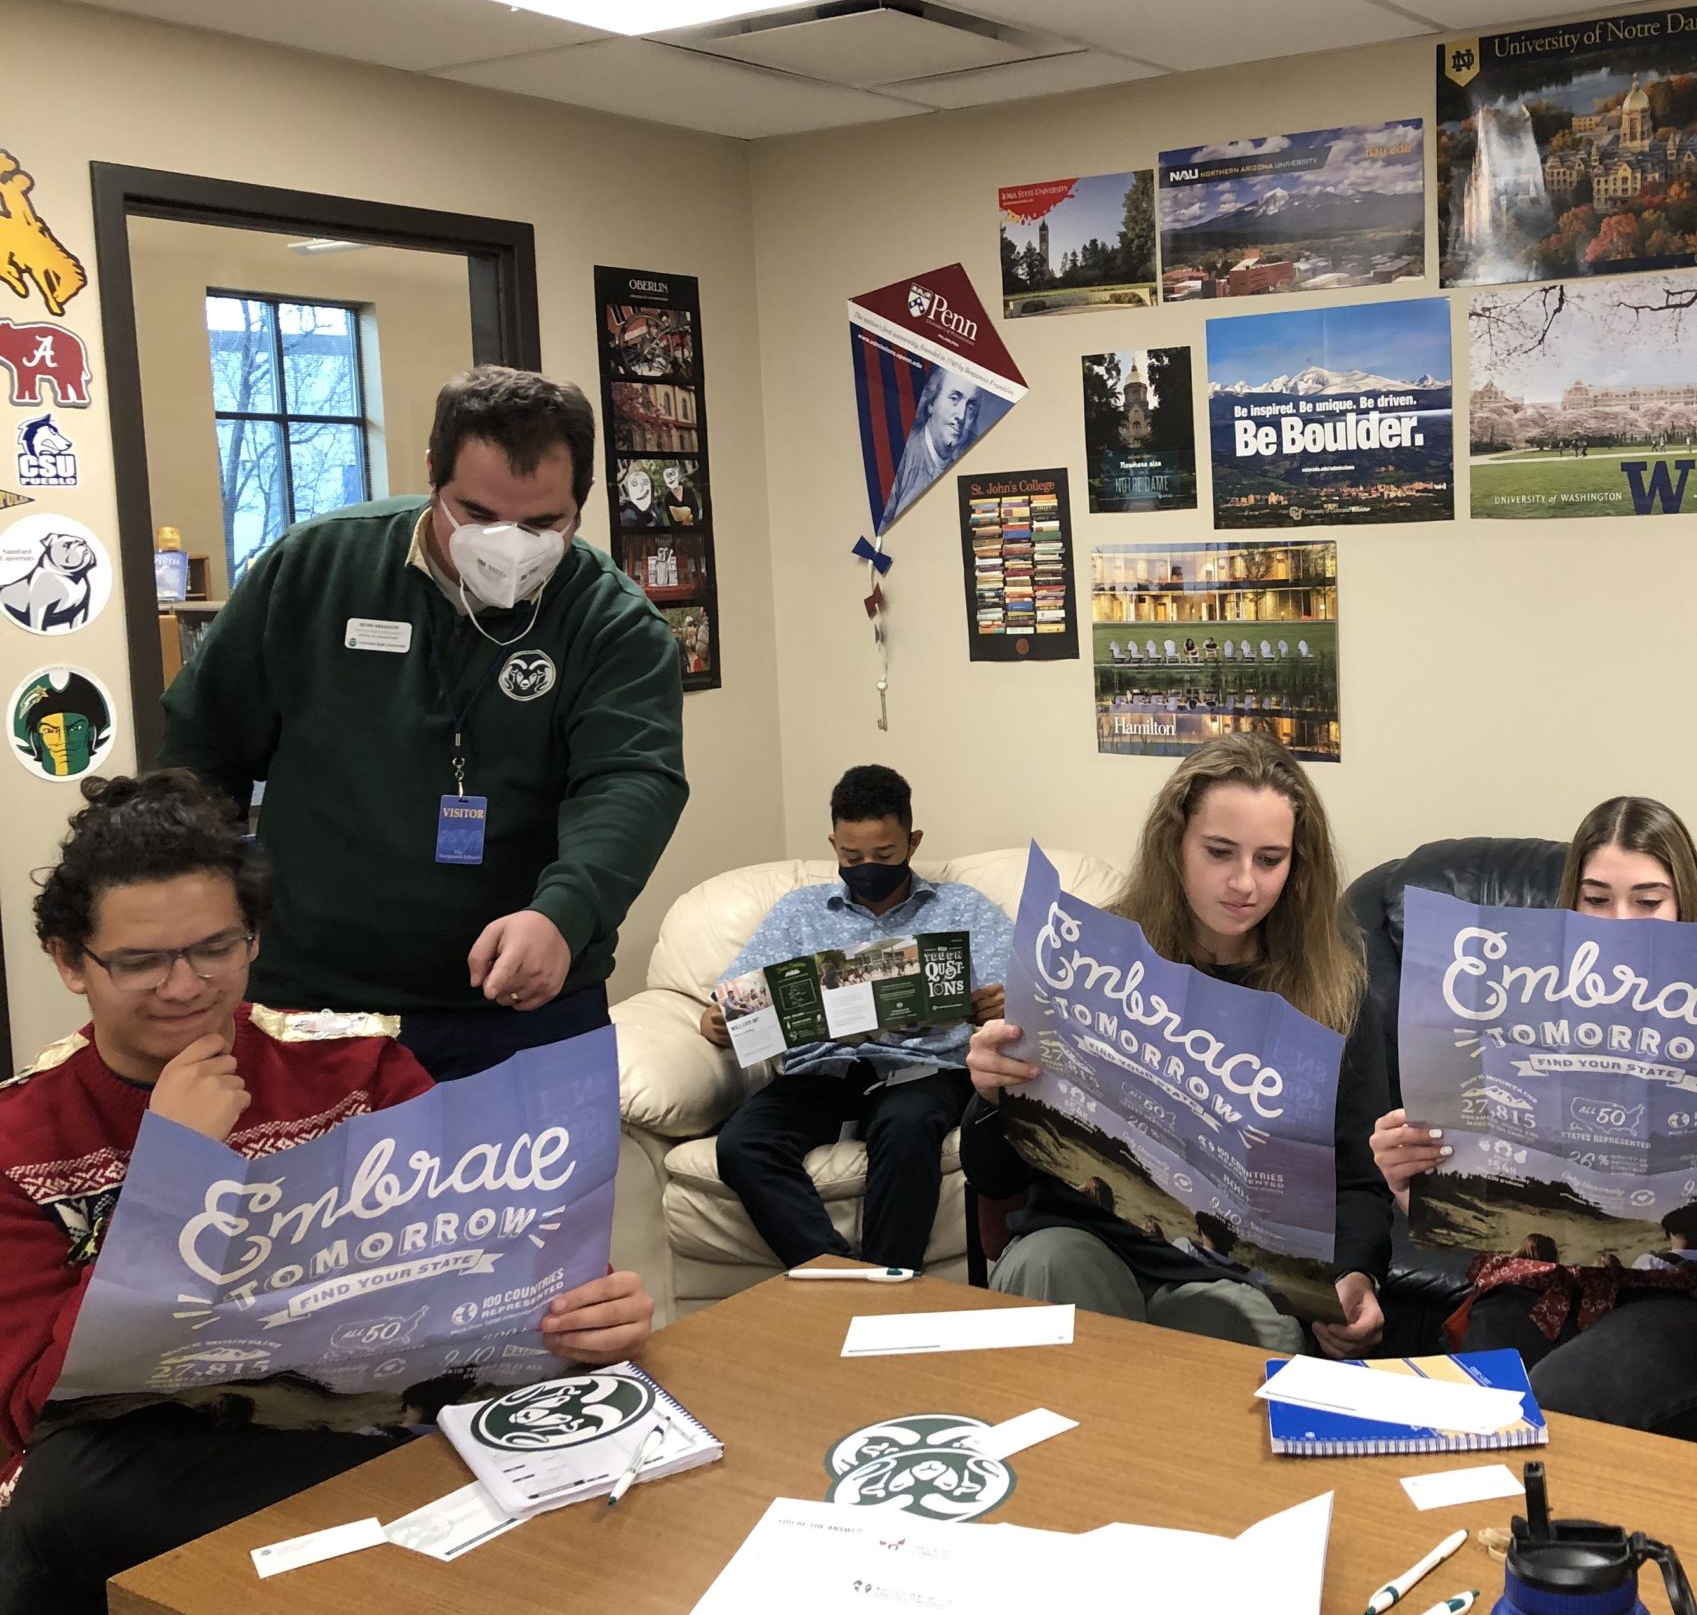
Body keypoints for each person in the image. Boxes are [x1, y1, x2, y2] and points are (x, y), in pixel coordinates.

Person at [0, 772, 654, 1615]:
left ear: (254, 937)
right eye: (141, 961)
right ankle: (429, 1537)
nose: (185, 986)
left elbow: (491, 1262)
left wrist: (583, 1312)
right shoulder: (22, 1132)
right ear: (70, 961)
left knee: (611, 1416)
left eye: (215, 948)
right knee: (54, 1511)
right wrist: (173, 1173)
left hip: (369, 1415)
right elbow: (30, 1396)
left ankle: (414, 1558)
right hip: (166, 1453)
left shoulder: (356, 1065)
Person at [161, 366, 688, 1080]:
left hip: (522, 1000)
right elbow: (203, 747)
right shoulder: (318, 567)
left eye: (541, 525)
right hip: (314, 1000)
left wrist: (568, 911)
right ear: (432, 473)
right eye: (476, 514)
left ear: (581, 505)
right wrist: (200, 920)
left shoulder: (612, 619)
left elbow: (630, 780)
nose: (508, 546)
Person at [1371, 796, 1697, 1447]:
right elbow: (1476, 1208)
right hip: (1535, 1291)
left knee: (1558, 1410)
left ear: (1685, 904)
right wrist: (1414, 1187)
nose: (1620, 924)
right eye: (1597, 899)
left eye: (1648, 900)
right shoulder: (1510, 1020)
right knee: (1463, 1426)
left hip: (1692, 1308)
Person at [961, 732, 1388, 1355]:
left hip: (1233, 1276)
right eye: (1219, 852)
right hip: (1085, 1242)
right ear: (1175, 844)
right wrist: (988, 1094)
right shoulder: (1086, 957)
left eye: (1270, 859)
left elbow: (1359, 1178)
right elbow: (992, 1173)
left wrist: (1354, 1275)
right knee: (1048, 1267)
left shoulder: (1337, 990)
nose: (1244, 883)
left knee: (1245, 1322)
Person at [708, 766, 1011, 1273]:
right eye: (851, 856)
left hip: (924, 1068)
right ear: (833, 844)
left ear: (912, 842)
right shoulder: (798, 911)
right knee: (741, 1144)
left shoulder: (964, 907)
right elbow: (733, 999)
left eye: (884, 855)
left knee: (908, 1127)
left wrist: (1002, 1003)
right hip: (821, 1070)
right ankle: (841, 1278)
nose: (868, 866)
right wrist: (716, 1022)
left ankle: (891, 1286)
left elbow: (1025, 993)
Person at [880, 367, 983, 526]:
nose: (961, 416)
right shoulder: (899, 452)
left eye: (970, 408)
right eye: (954, 398)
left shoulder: (961, 476)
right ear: (931, 402)